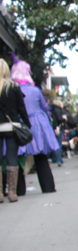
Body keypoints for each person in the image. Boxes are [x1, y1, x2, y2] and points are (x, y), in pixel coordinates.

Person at [11, 56, 58, 195]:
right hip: (38, 124)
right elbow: (44, 107)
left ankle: (19, 190)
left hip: (20, 125)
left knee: (19, 158)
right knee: (41, 156)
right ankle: (48, 187)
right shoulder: (35, 90)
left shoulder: (13, 89)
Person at [0, 59, 30, 202]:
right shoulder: (13, 87)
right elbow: (21, 108)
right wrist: (27, 124)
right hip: (12, 126)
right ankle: (12, 193)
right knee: (11, 157)